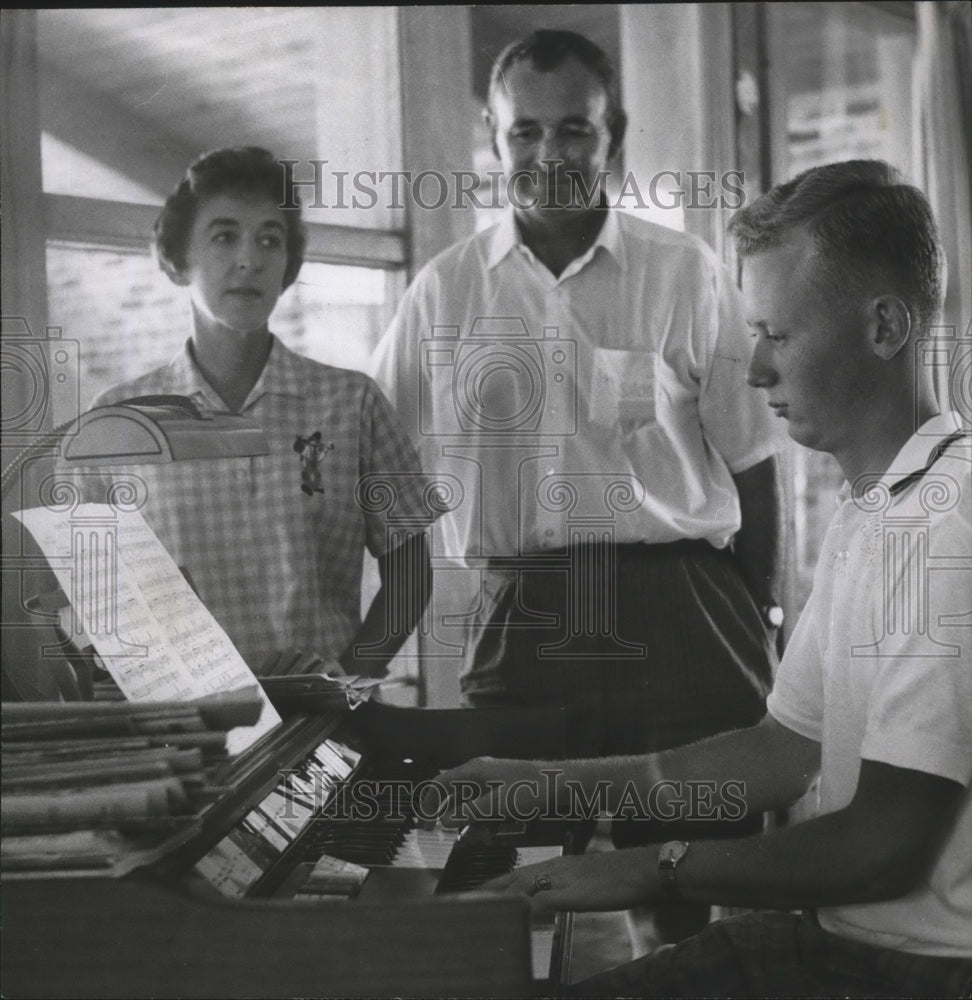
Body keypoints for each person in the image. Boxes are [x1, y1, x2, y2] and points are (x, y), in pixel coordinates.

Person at [428, 160, 972, 998]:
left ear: (887, 325)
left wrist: (657, 867)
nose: (753, 371)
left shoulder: (947, 522)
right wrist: (554, 786)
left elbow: (880, 846)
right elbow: (784, 749)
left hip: (908, 970)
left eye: (778, 336)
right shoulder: (879, 503)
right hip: (844, 944)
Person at [371, 28, 783, 943]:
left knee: (690, 883)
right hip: (525, 612)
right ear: (493, 136)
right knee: (511, 881)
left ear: (614, 135)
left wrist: (758, 611)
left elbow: (752, 461)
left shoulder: (686, 273)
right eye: (525, 133)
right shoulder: (443, 293)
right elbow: (373, 453)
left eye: (575, 132)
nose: (549, 156)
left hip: (684, 605)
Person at [85, 147, 435, 679]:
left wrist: (345, 681)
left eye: (270, 239)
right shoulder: (117, 420)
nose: (250, 258)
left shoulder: (351, 402)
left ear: (288, 265)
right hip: (182, 736)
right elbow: (96, 598)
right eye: (225, 236)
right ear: (178, 260)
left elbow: (411, 576)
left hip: (327, 731)